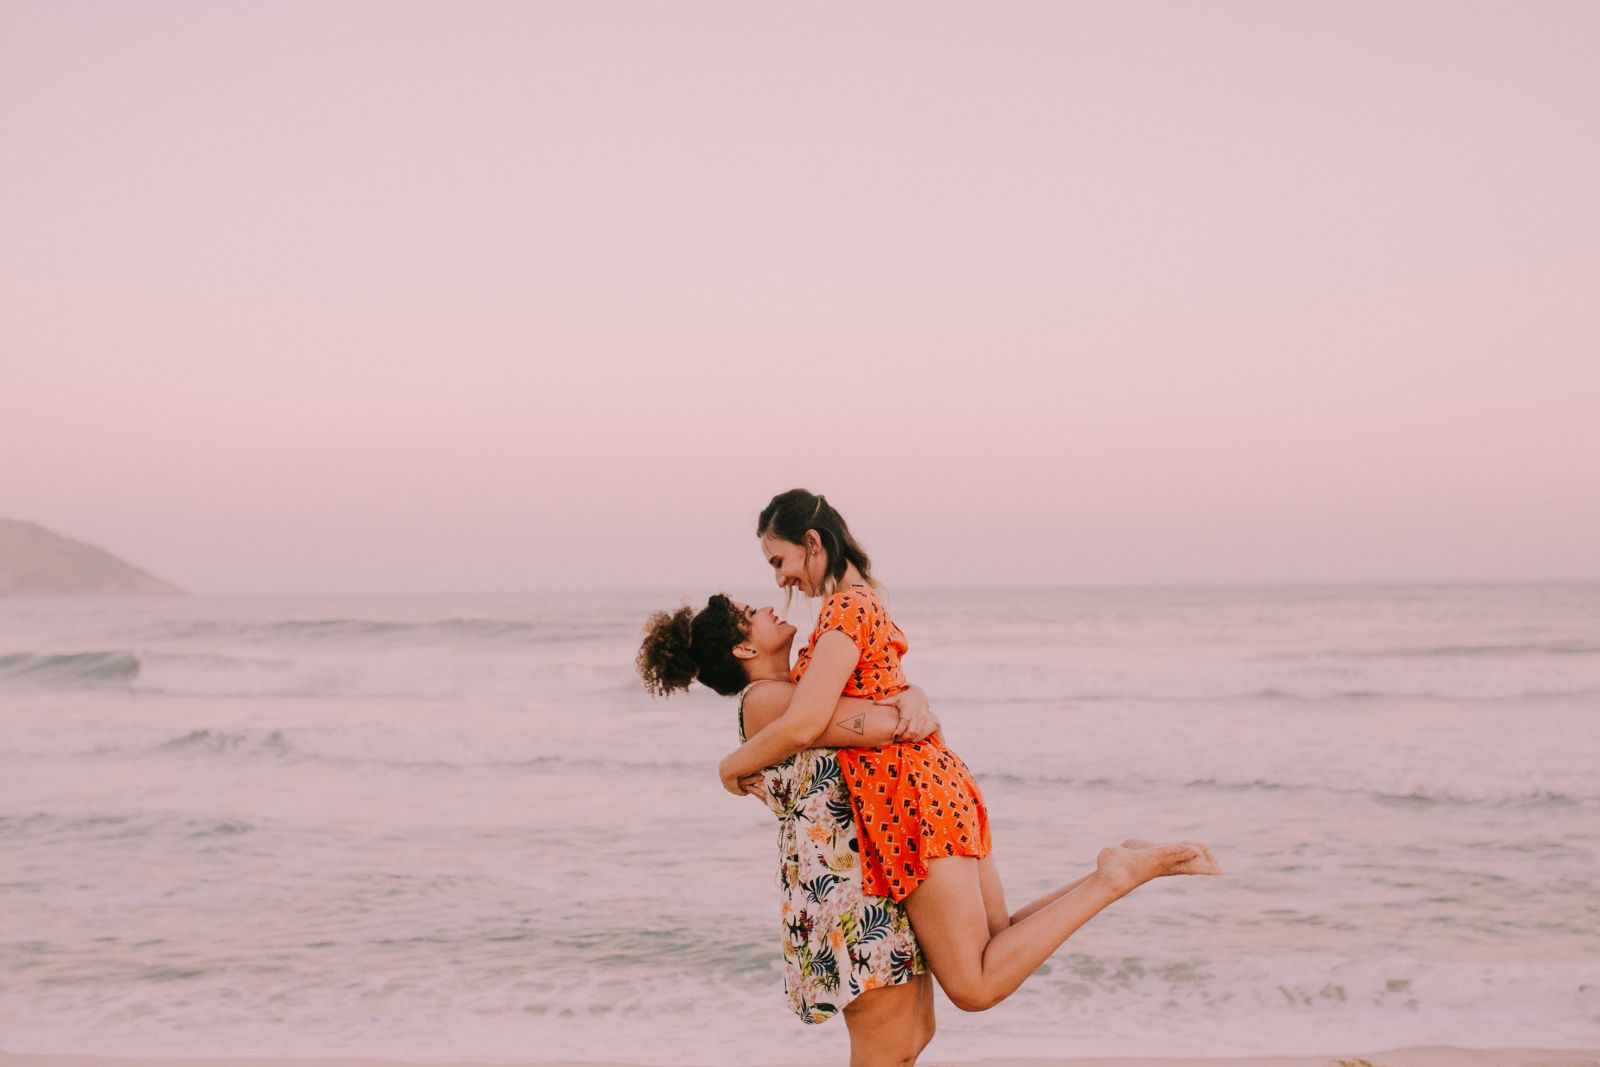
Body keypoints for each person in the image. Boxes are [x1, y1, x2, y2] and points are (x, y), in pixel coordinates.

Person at [717, 489, 1223, 1014]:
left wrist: (730, 767)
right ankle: (1117, 868)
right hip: (936, 781)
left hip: (905, 796)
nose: (780, 580)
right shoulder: (862, 602)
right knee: (996, 937)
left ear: (813, 542)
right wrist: (914, 697)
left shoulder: (844, 608)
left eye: (779, 561)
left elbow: (803, 723)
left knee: (974, 986)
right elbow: (875, 696)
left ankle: (1114, 877)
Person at [637, 594, 941, 1066]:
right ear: (743, 649)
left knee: (915, 1036)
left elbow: (891, 705)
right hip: (845, 893)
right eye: (749, 614)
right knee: (888, 1052)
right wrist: (910, 703)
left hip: (862, 878)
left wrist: (914, 696)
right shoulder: (768, 700)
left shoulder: (799, 693)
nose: (765, 607)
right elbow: (883, 721)